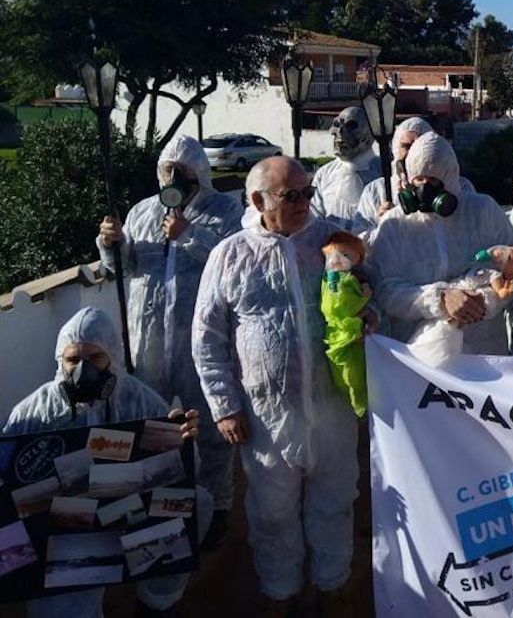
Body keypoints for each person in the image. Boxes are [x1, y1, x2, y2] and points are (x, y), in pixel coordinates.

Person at [192, 156, 363, 616]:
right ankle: (280, 591)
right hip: (267, 416)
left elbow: (369, 299)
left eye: (308, 192)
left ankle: (333, 585)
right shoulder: (230, 255)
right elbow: (207, 336)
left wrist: (367, 317)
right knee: (272, 512)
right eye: (292, 196)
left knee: (334, 503)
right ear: (258, 201)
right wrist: (225, 407)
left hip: (332, 407)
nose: (305, 202)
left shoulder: (333, 243)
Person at [4, 307, 209, 618]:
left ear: (112, 355)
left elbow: (183, 473)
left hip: (128, 510)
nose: (83, 370)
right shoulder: (32, 413)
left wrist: (181, 441)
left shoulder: (141, 401)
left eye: (95, 358)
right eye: (73, 359)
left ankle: (155, 601)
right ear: (60, 360)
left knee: (200, 503)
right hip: (65, 531)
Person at [96, 133, 241, 546]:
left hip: (203, 345)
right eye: (167, 170)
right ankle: (153, 505)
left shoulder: (224, 211)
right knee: (150, 426)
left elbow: (233, 264)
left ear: (202, 174)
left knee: (213, 430)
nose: (174, 177)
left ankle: (217, 507)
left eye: (183, 171)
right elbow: (120, 270)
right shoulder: (143, 212)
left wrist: (188, 235)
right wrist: (111, 245)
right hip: (150, 344)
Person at [368, 133, 513, 354]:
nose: (425, 188)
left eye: (435, 180)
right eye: (419, 179)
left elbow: (511, 269)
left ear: (451, 177)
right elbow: (386, 290)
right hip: (419, 357)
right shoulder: (394, 225)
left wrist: (479, 304)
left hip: (484, 354)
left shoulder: (483, 211)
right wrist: (440, 300)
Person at [352, 116, 476, 233]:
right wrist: (381, 227)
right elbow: (357, 246)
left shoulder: (461, 187)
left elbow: (474, 231)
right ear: (395, 148)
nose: (413, 152)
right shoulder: (376, 191)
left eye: (421, 145)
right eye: (406, 146)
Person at [310, 105, 381, 230]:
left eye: (351, 126)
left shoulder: (384, 171)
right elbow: (314, 217)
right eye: (337, 124)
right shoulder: (324, 174)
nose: (338, 131)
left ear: (369, 133)